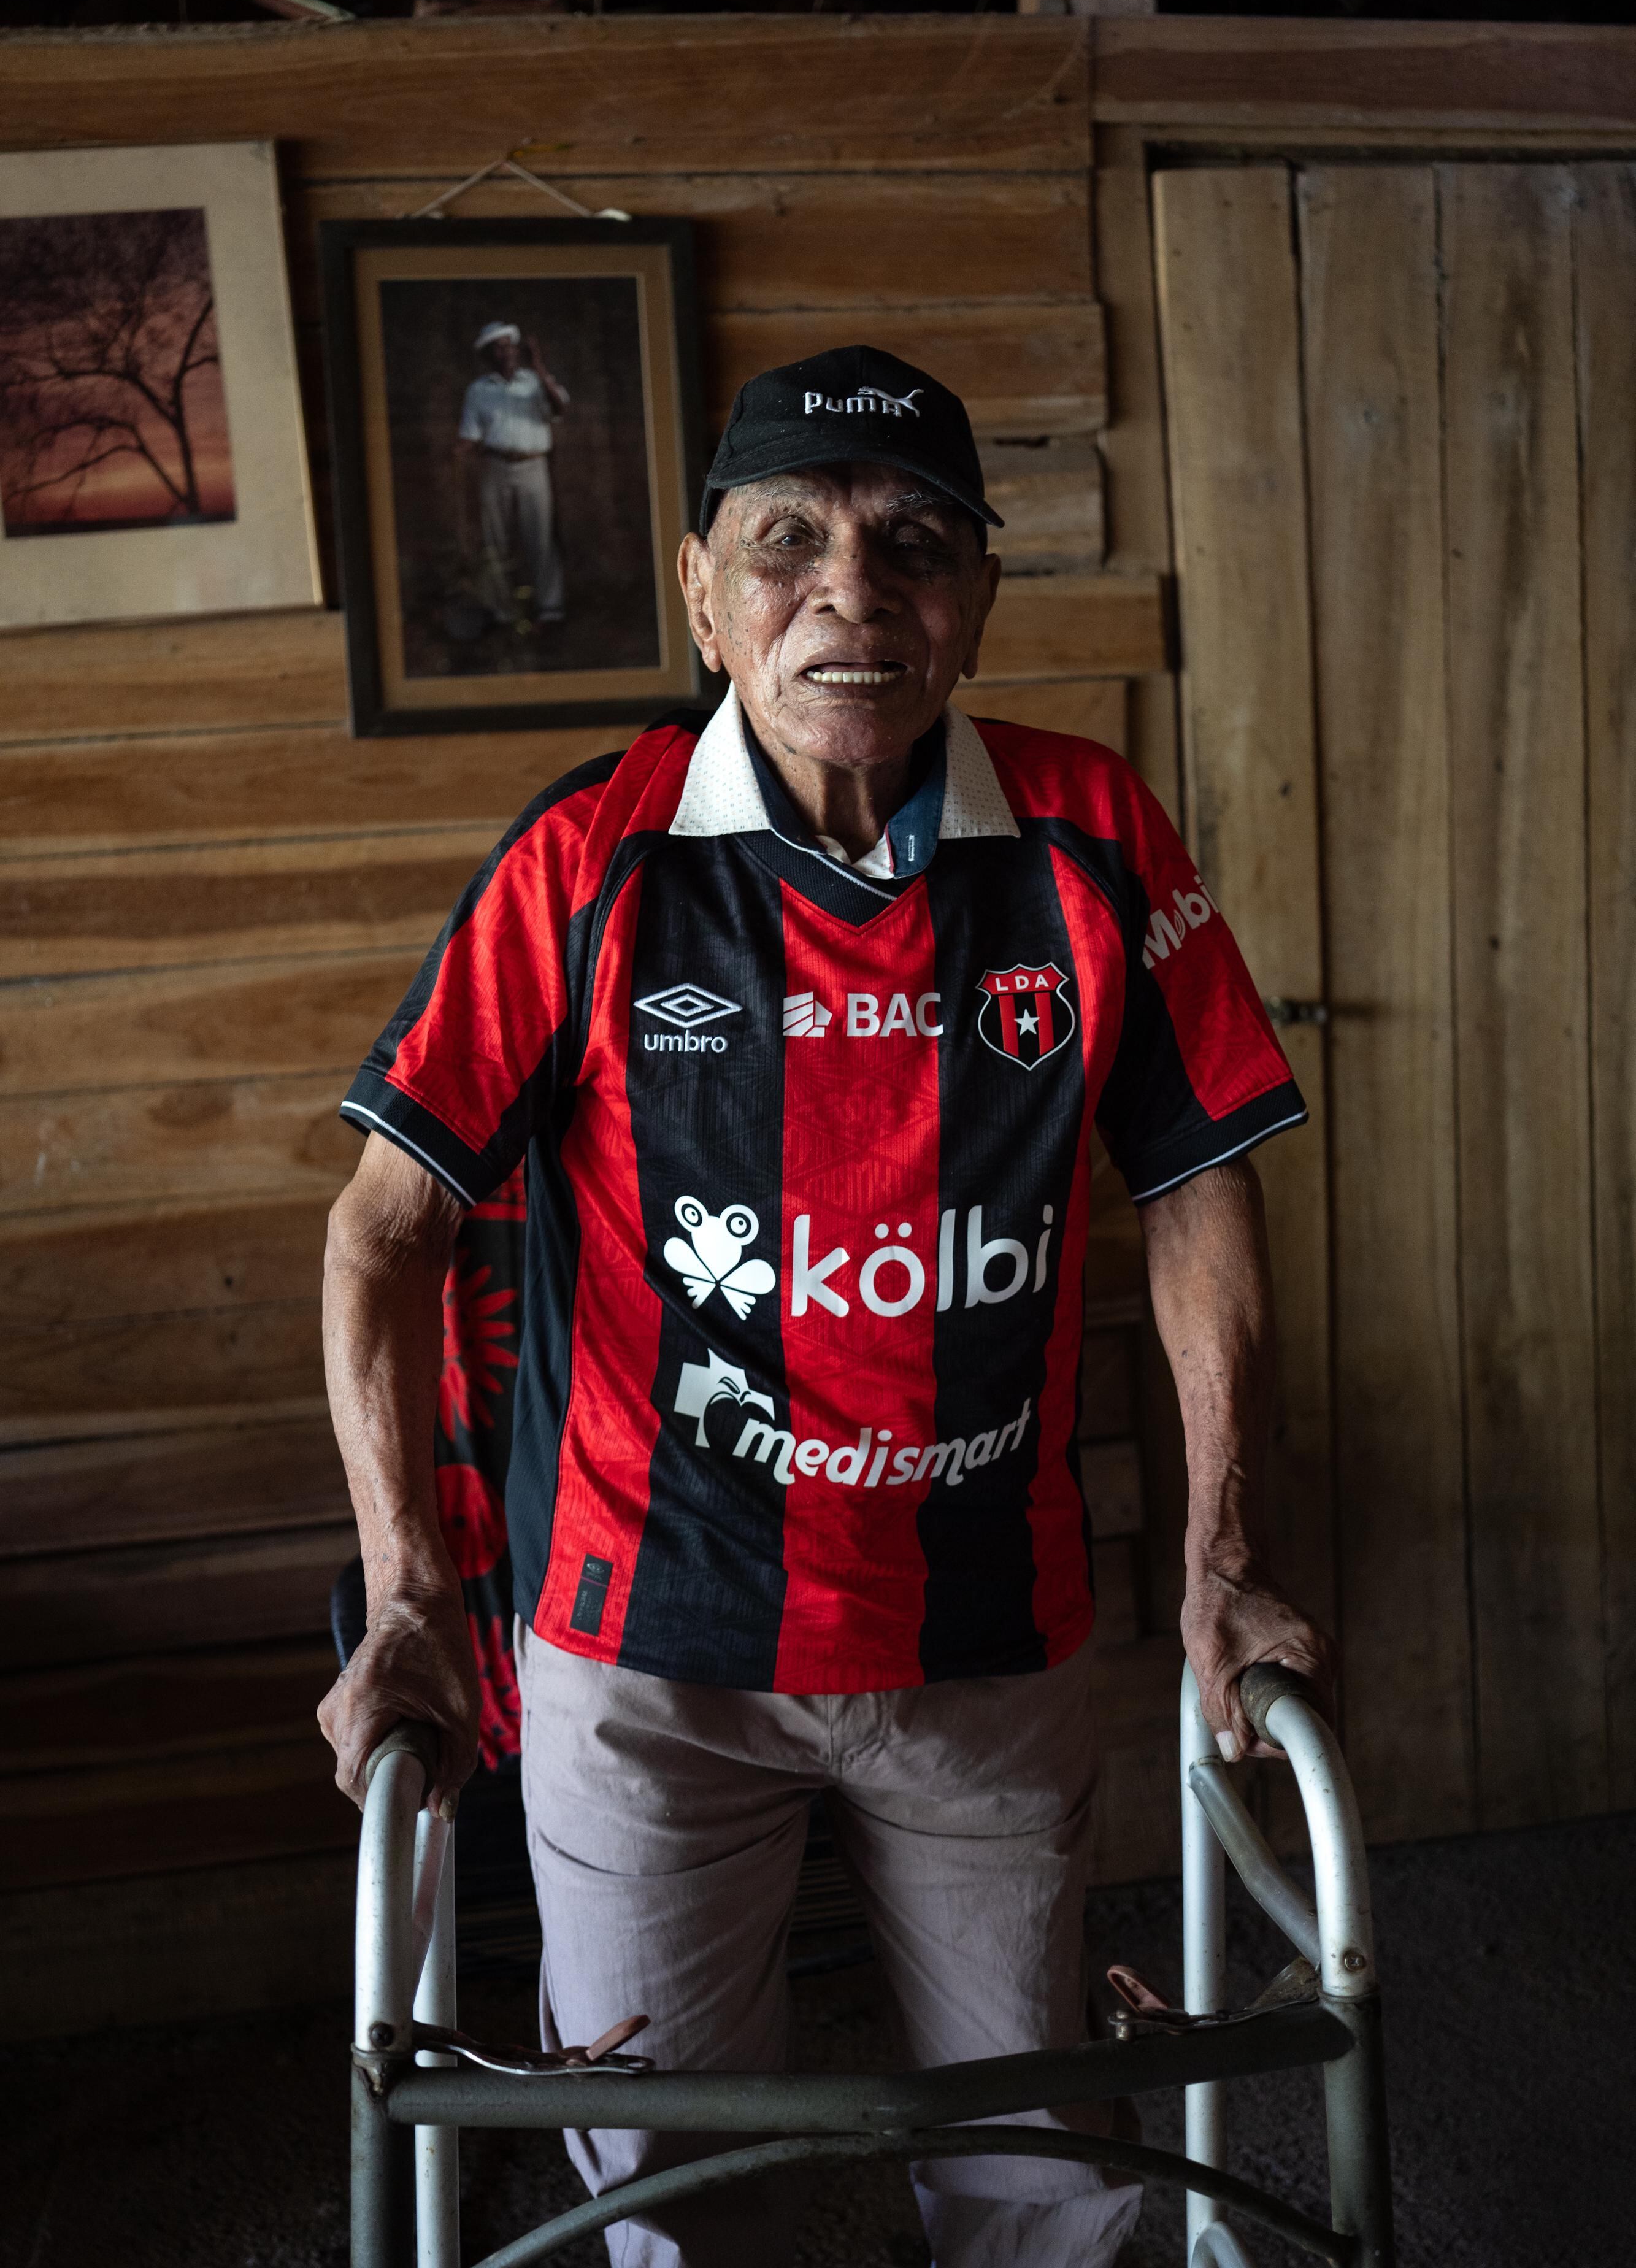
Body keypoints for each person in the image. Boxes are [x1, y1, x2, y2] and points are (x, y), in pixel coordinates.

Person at [320, 344, 1332, 2268]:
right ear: (705, 595)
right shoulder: (588, 859)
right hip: (649, 1650)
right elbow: (383, 1228)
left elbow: (1201, 1183)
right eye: (787, 542)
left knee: (1041, 2162)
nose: (851, 594)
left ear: (975, 600)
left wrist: (1216, 1554)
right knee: (680, 2181)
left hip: (983, 1627)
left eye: (914, 545)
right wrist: (407, 1600)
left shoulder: (1091, 841)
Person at [456, 320, 570, 631]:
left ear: (516, 350)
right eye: (497, 347)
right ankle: (503, 610)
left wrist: (541, 368)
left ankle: (550, 607)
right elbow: (470, 436)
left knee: (540, 537)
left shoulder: (535, 382)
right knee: (495, 539)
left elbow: (560, 409)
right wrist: (454, 457)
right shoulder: (479, 391)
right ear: (488, 354)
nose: (504, 352)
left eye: (508, 345)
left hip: (533, 466)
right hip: (495, 467)